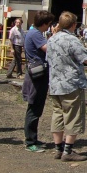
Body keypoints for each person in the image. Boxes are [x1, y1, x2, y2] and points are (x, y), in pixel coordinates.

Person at [47, 11, 87, 162]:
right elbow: (86, 59)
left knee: (58, 115)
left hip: (55, 84)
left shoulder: (51, 40)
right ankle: (68, 151)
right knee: (73, 116)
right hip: (71, 84)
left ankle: (58, 148)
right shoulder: (72, 40)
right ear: (73, 25)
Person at [22, 10, 55, 153]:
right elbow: (48, 48)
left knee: (35, 108)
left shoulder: (33, 32)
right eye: (49, 24)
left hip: (36, 73)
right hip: (38, 75)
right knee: (34, 108)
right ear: (45, 23)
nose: (49, 27)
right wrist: (55, 36)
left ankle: (32, 138)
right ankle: (30, 141)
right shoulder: (35, 34)